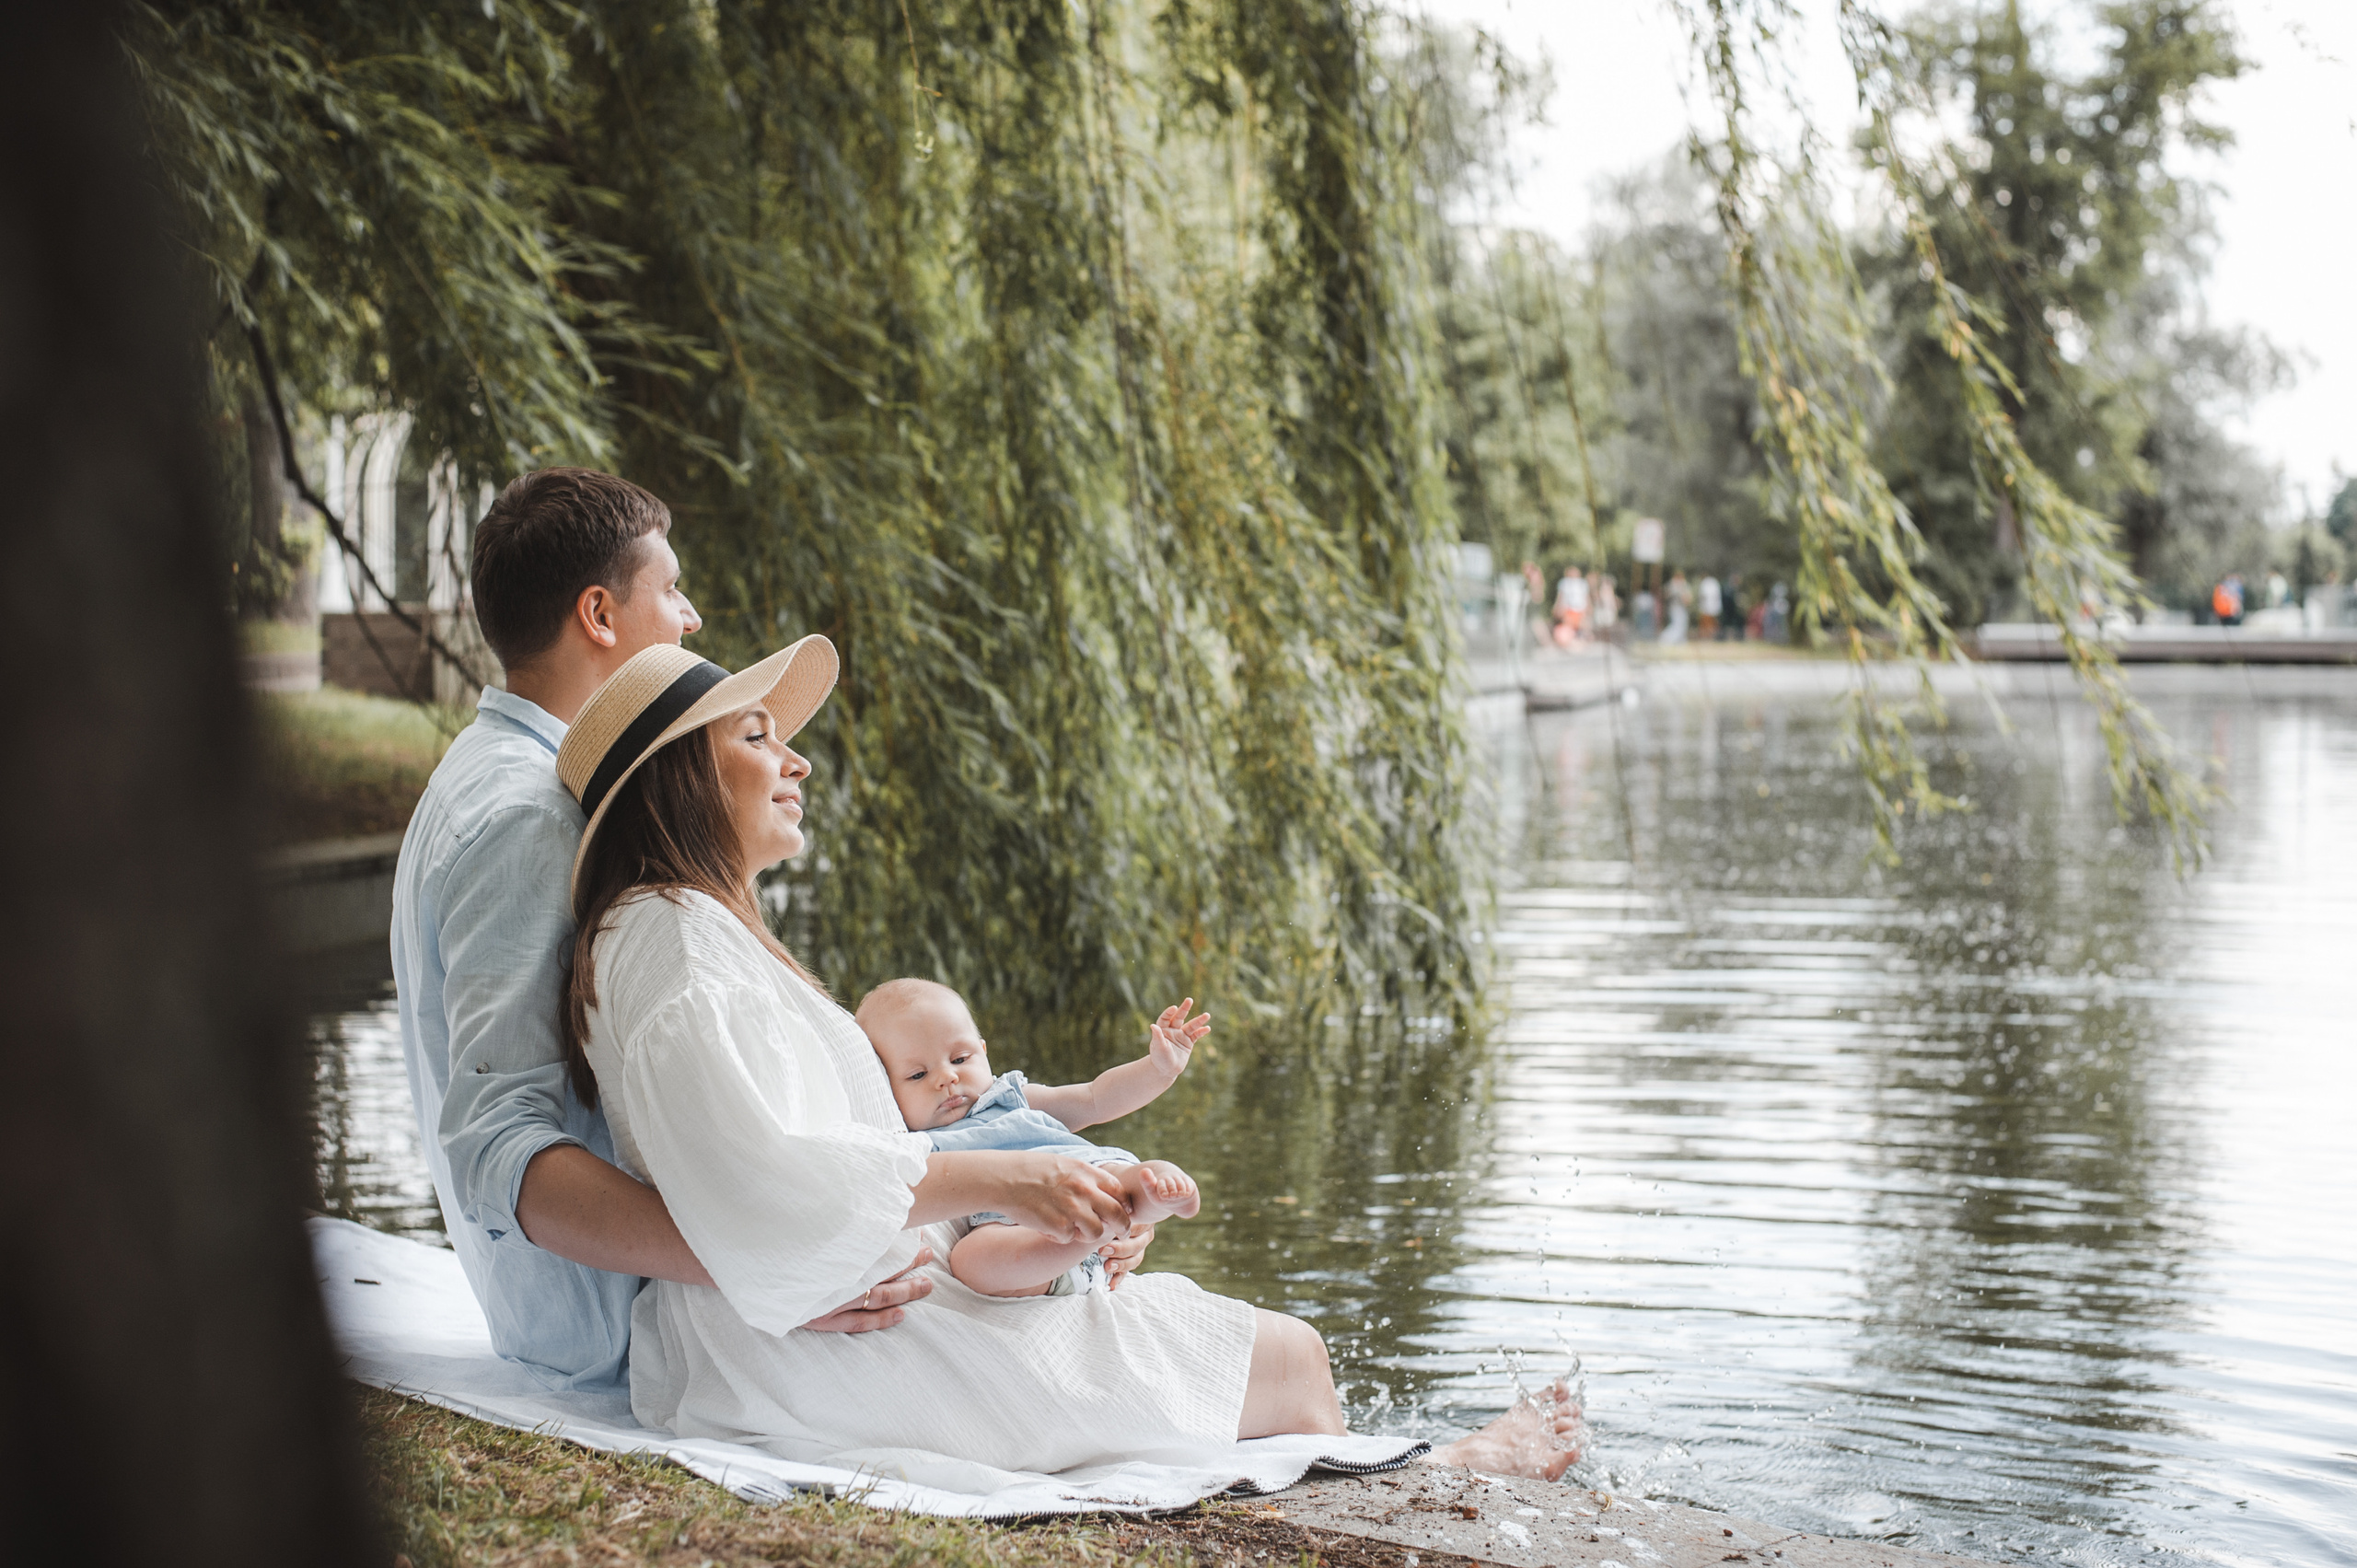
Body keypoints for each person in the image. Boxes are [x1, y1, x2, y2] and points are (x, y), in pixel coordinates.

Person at [557, 640, 1585, 1477]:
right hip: (822, 1350)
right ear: (679, 778)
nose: (799, 759)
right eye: (757, 734)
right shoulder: (680, 945)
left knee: (1228, 1333)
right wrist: (1011, 1179)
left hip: (839, 1312)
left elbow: (800, 1168)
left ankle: (1412, 1468)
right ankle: (1439, 1473)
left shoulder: (689, 931)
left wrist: (1035, 1214)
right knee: (1284, 1356)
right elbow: (764, 1182)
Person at [391, 469, 1151, 1393]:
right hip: (623, 1320)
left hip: (696, 1278)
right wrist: (775, 1263)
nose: (692, 616)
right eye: (670, 589)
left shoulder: (483, 775)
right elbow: (500, 1140)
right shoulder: (530, 813)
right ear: (599, 614)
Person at [859, 979, 1206, 1298]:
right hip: (1028, 1241)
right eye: (918, 1074)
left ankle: (1159, 1194)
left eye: (960, 1059)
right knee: (969, 1263)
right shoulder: (913, 1145)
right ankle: (1087, 1236)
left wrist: (1158, 1070)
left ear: (984, 1052)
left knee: (1127, 1178)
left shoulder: (1009, 1098)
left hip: (1088, 1180)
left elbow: (1095, 1098)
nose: (947, 1077)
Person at [1553, 566, 1589, 645]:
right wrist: (1558, 607)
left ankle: (1581, 641)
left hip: (1580, 609)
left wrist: (1587, 608)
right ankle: (1570, 642)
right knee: (1569, 626)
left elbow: (1586, 597)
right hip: (1568, 609)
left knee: (1581, 626)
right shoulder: (1564, 583)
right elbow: (1560, 597)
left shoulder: (1582, 583)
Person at [1697, 574, 1722, 640]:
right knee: (1705, 623)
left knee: (1711, 623)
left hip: (1709, 608)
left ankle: (1711, 636)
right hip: (1707, 608)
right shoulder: (1710, 583)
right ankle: (1706, 637)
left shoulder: (1708, 583)